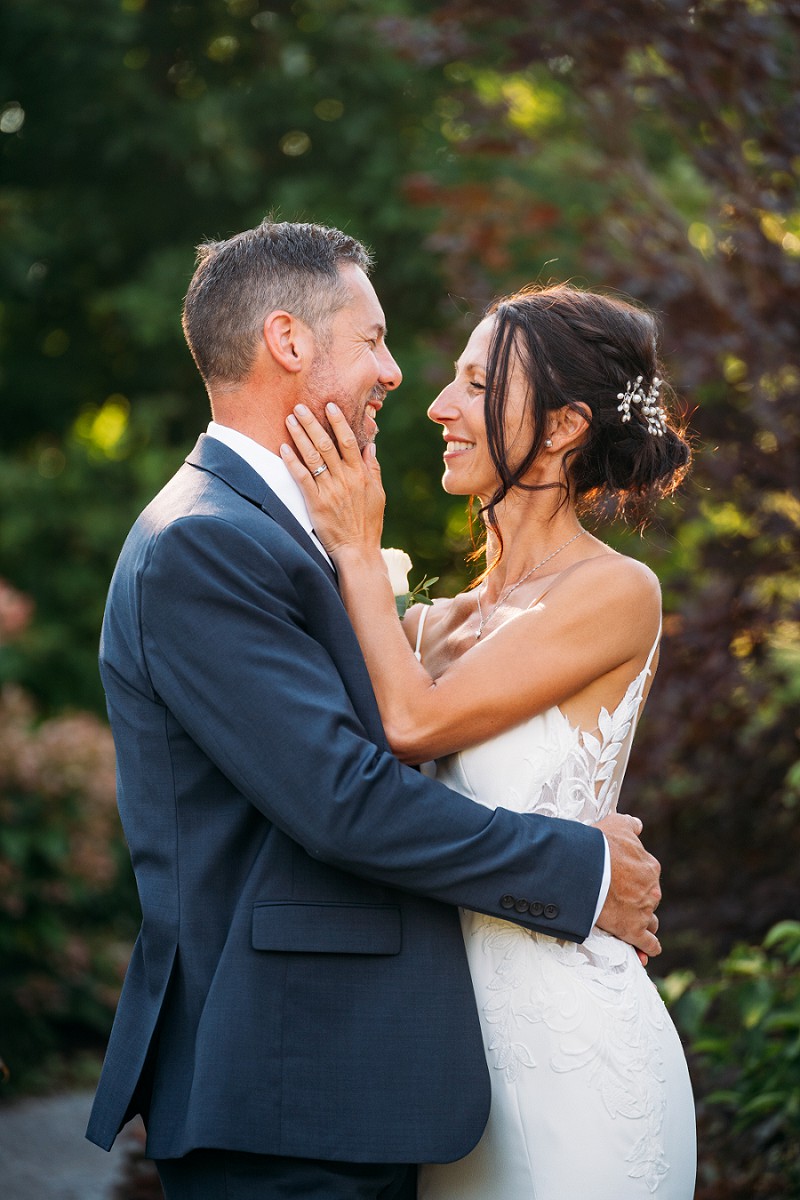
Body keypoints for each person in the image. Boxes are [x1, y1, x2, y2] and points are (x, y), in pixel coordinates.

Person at [86, 221, 663, 1200]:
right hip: (295, 1077)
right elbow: (345, 799)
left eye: (472, 381)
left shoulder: (274, 536)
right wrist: (579, 864)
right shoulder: (207, 542)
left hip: (415, 1066)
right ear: (289, 342)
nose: (402, 378)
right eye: (374, 339)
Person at [281, 281, 697, 1198]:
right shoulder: (439, 625)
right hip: (449, 1070)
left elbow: (412, 724)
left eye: (476, 385)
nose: (438, 405)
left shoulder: (616, 592)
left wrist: (358, 545)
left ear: (560, 428)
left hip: (572, 1059)